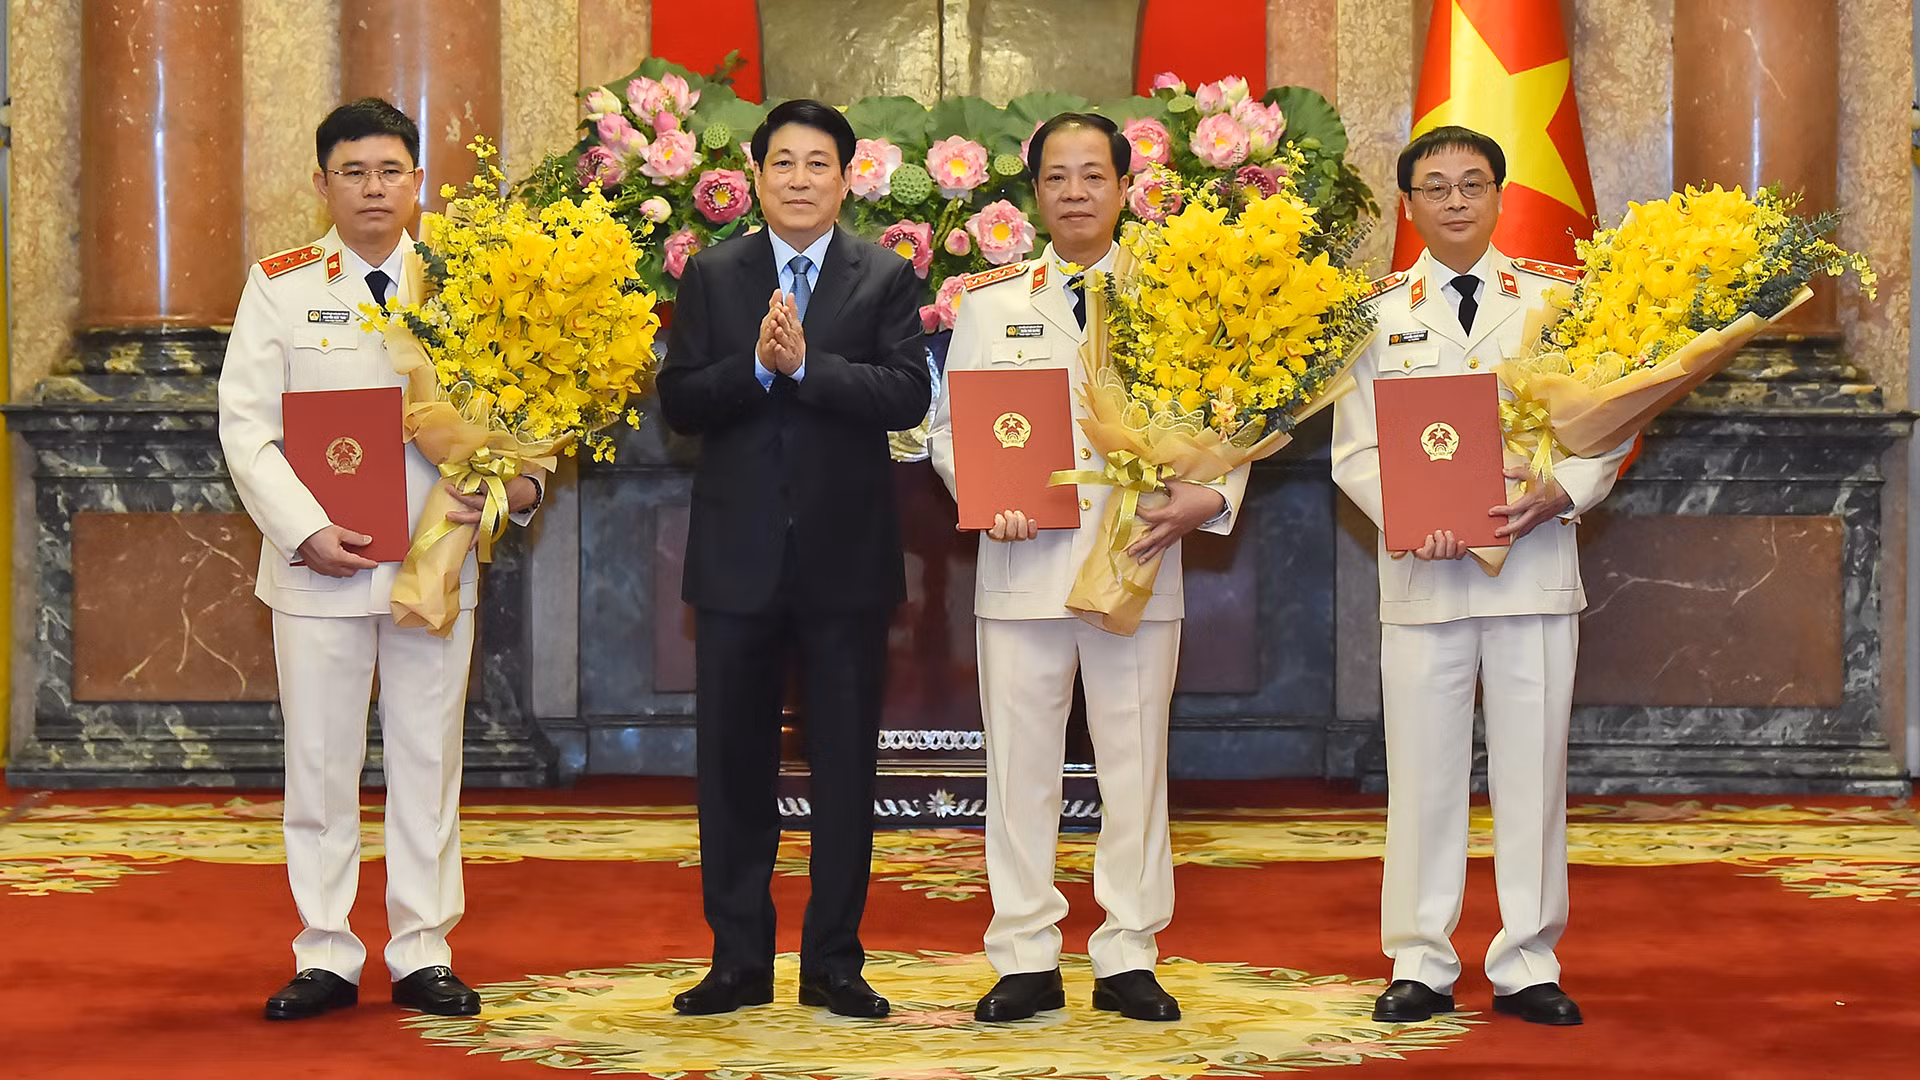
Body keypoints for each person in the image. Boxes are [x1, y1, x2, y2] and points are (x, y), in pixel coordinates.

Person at [219, 98, 544, 1021]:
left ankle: (421, 949)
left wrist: (517, 489)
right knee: (319, 765)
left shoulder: (470, 283)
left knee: (426, 760)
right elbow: (247, 428)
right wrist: (301, 529)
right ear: (321, 184)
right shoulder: (279, 285)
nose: (373, 188)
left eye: (390, 170)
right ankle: (324, 950)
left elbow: (519, 417)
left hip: (433, 561)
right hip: (318, 566)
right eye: (353, 172)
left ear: (418, 181)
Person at [927, 113, 1248, 1024]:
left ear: (1123, 186)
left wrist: (1212, 499)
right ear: (1035, 195)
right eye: (1057, 178)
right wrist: (987, 493)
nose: (1075, 193)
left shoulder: (1176, 294)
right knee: (1019, 770)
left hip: (1138, 567)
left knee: (1134, 767)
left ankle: (1128, 951)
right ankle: (1024, 954)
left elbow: (1232, 414)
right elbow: (954, 433)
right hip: (1024, 566)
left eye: (1093, 176)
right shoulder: (990, 303)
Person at [1330, 125, 1633, 1028]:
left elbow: (1609, 428)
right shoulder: (1373, 314)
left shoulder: (1557, 299)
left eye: (1472, 184)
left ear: (1500, 197)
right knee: (1421, 774)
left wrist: (1564, 491)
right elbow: (1355, 454)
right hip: (1425, 579)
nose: (1455, 200)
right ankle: (1420, 960)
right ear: (1408, 205)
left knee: (1532, 771)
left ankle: (1527, 960)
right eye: (1436, 187)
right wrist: (1415, 517)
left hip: (1533, 570)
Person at [655, 99, 931, 1020]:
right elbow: (683, 401)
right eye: (784, 163)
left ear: (846, 178)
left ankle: (834, 963)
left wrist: (809, 366)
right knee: (732, 766)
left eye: (819, 164)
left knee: (846, 764)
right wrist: (761, 370)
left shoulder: (884, 275)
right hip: (736, 560)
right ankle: (737, 959)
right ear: (758, 174)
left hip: (845, 559)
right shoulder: (714, 273)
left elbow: (902, 396)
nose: (801, 179)